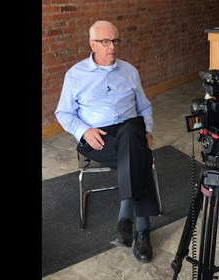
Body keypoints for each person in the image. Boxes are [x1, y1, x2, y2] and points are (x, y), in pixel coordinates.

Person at [55, 20, 159, 263]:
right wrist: (84, 130)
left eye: (115, 41)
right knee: (138, 156)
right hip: (97, 137)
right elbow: (63, 113)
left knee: (134, 131)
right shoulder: (76, 75)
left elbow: (144, 106)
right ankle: (142, 229)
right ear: (92, 44)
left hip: (129, 130)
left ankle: (127, 221)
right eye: (105, 42)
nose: (112, 46)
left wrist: (149, 130)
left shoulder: (130, 71)